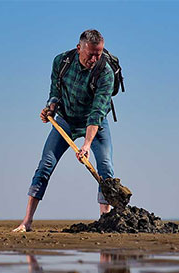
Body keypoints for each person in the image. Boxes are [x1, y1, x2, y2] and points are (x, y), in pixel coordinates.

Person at [14, 29, 115, 232]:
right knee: (45, 165)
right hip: (66, 121)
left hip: (94, 123)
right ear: (79, 48)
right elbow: (55, 91)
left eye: (99, 53)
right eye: (90, 54)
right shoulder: (61, 62)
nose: (95, 59)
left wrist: (86, 145)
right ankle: (27, 221)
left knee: (105, 168)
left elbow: (97, 112)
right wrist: (50, 108)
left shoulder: (105, 73)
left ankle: (106, 219)